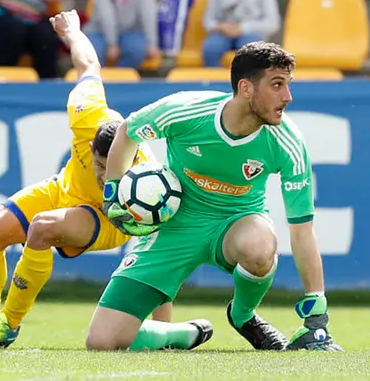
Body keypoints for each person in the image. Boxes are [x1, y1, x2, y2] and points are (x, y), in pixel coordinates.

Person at [87, 41, 343, 352]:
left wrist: (317, 306)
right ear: (246, 88)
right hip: (175, 225)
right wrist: (113, 192)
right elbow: (129, 130)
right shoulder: (187, 110)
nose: (287, 97)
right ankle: (180, 333)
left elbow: (302, 230)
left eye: (288, 85)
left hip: (235, 225)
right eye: (277, 85)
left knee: (260, 246)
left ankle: (243, 315)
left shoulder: (287, 141)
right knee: (102, 342)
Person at [0, 9, 175, 349]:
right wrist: (71, 30)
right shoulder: (86, 113)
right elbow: (89, 65)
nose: (108, 175)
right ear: (91, 148)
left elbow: (159, 249)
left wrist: (165, 331)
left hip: (106, 219)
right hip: (64, 189)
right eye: (102, 166)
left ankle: (8, 323)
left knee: (43, 227)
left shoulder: (147, 171)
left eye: (117, 167)